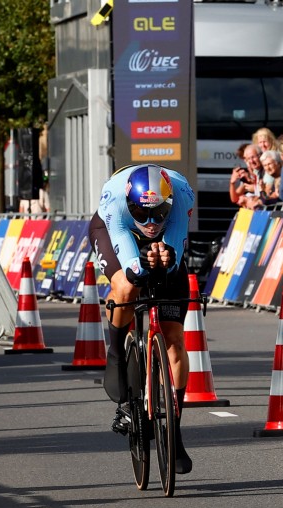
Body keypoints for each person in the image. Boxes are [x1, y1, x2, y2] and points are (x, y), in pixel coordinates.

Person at [88, 164, 195, 475]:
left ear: (169, 203)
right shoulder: (115, 201)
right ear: (130, 202)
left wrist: (167, 259)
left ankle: (173, 429)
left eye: (158, 212)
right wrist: (139, 266)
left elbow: (173, 258)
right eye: (143, 212)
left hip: (165, 238)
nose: (150, 222)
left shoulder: (182, 194)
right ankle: (117, 353)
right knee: (126, 283)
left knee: (174, 338)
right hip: (113, 230)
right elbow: (131, 263)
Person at [229, 144, 264, 208]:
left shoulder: (265, 170)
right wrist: (232, 183)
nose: (251, 161)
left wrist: (250, 198)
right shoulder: (252, 173)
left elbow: (268, 192)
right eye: (247, 159)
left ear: (260, 156)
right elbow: (234, 199)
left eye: (253, 157)